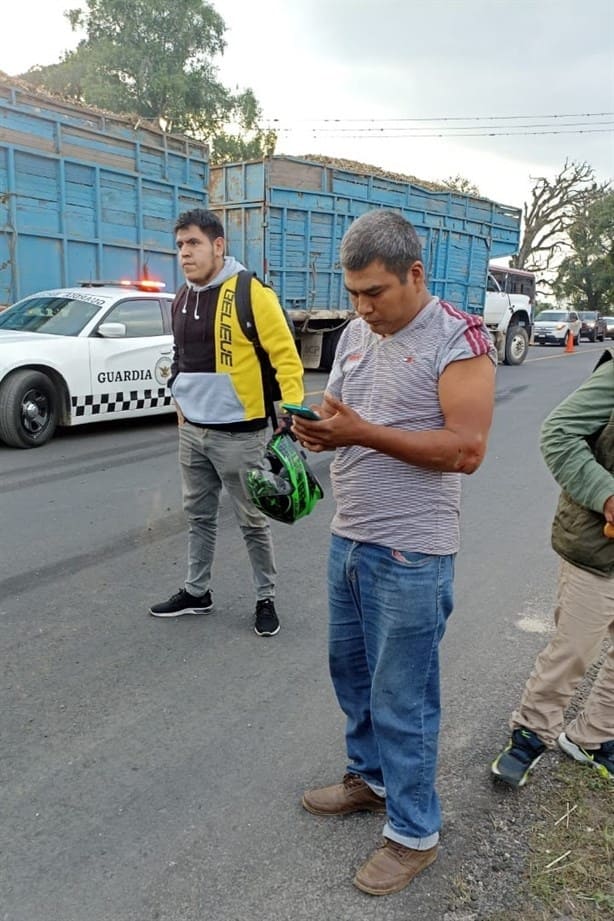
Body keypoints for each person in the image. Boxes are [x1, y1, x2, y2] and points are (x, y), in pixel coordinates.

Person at [291, 210, 497, 896]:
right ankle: (371, 779)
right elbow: (342, 412)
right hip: (350, 533)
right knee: (350, 672)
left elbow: (465, 449)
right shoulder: (354, 332)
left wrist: (363, 432)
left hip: (413, 551)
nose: (361, 307)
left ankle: (414, 832)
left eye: (374, 292)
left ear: (416, 273)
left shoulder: (458, 338)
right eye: (352, 293)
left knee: (403, 695)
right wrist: (318, 432)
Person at [149, 209, 304, 637]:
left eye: (193, 243)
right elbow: (180, 358)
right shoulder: (182, 296)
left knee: (252, 521)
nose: (184, 253)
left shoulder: (251, 293)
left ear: (219, 245)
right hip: (193, 433)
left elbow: (285, 356)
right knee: (198, 517)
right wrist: (179, 400)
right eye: (180, 245)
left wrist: (291, 412)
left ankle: (265, 598)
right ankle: (197, 592)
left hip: (241, 434)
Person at [491, 351, 614, 786]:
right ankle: (530, 734)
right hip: (598, 547)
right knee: (574, 649)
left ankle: (592, 736)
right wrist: (607, 496)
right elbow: (558, 434)